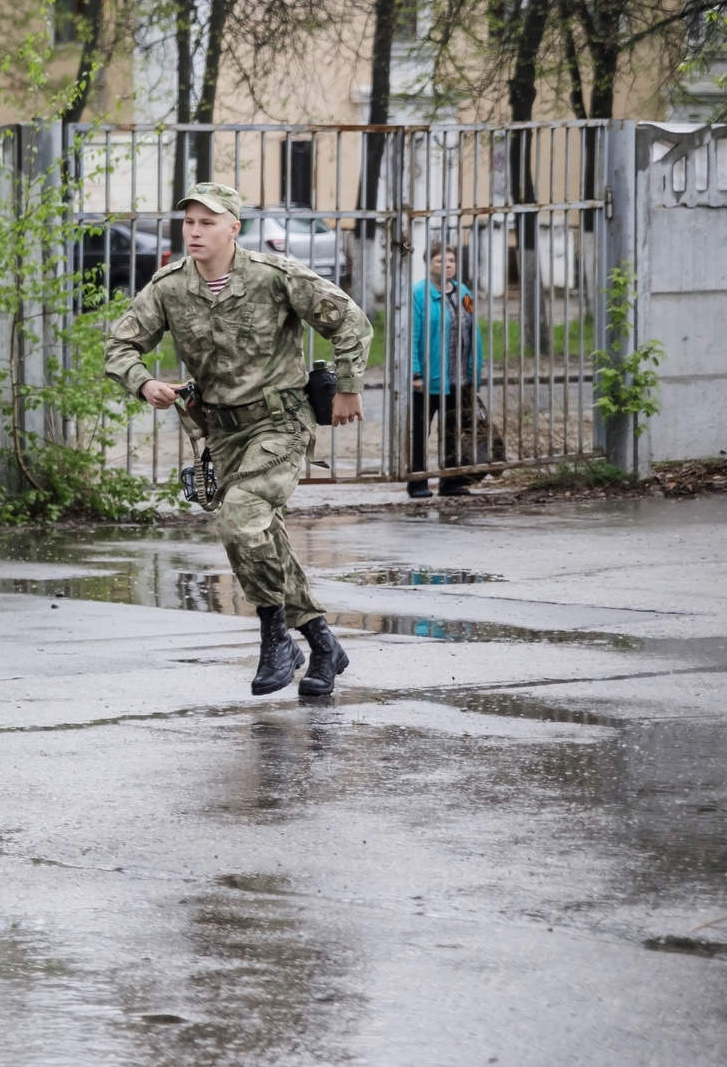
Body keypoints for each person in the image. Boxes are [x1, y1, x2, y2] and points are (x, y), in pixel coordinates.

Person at [103, 182, 372, 698]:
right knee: (260, 535)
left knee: (241, 520)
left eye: (208, 222)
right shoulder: (169, 287)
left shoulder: (275, 276)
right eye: (189, 222)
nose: (196, 231)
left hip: (280, 422)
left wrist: (348, 389)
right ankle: (320, 641)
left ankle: (276, 639)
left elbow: (351, 322)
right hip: (223, 434)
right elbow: (120, 345)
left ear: (234, 227)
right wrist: (146, 382)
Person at [407, 241, 483, 500]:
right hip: (428, 381)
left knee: (453, 432)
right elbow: (411, 335)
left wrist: (474, 372)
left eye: (451, 261)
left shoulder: (464, 293)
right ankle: (417, 482)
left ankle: (451, 482)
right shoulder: (418, 294)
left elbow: (474, 332)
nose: (448, 265)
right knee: (420, 433)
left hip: (458, 379)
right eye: (441, 261)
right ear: (429, 264)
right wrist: (414, 373)